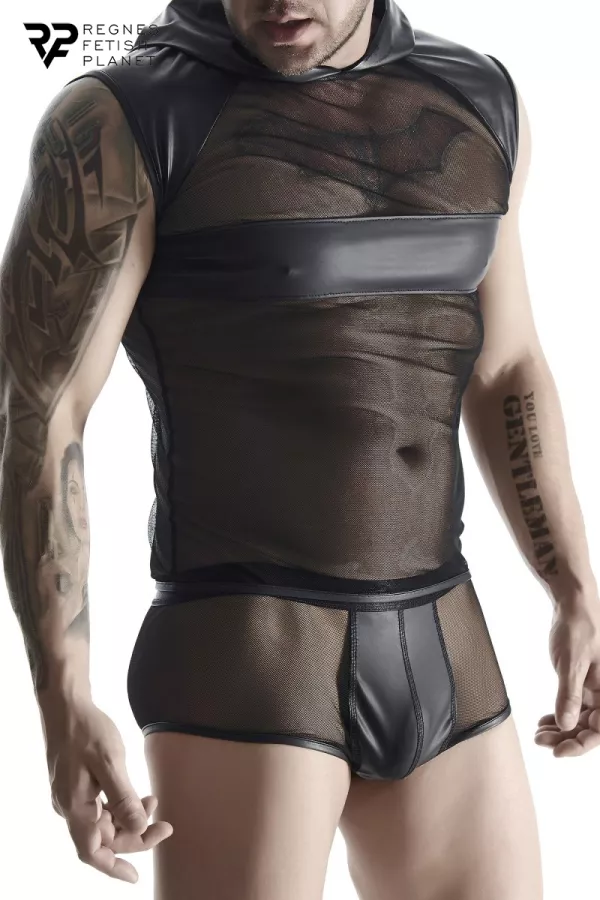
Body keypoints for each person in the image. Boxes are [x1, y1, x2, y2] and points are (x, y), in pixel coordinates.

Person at [1, 0, 599, 897]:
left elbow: (507, 364)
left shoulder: (479, 99)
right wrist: (61, 697)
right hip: (250, 655)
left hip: (447, 638)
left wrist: (575, 587)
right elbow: (40, 409)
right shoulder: (129, 119)